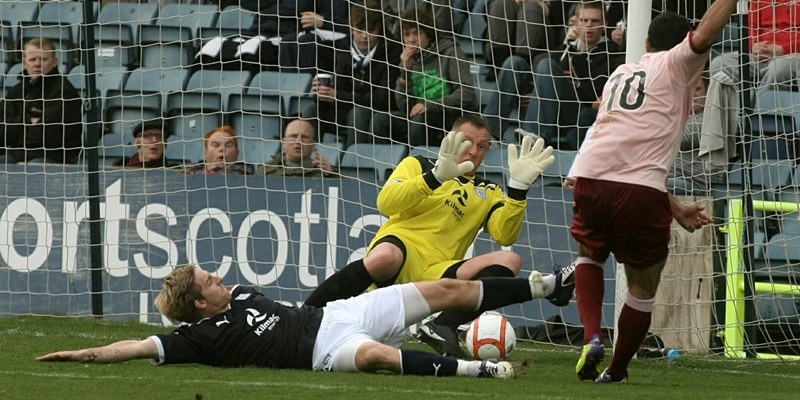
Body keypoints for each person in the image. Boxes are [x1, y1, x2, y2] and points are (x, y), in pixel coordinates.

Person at [304, 114, 572, 358]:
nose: (474, 152)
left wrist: (517, 189)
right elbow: (386, 203)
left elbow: (505, 232)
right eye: (468, 143)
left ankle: (443, 325)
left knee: (510, 260)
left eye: (482, 147)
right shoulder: (418, 164)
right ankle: (305, 316)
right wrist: (435, 177)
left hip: (439, 270)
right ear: (450, 140)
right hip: (401, 254)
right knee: (384, 257)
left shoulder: (488, 191)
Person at [568, 1, 736, 383]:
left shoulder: (622, 72)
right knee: (644, 283)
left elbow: (624, 147)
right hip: (638, 191)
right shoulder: (679, 63)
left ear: (645, 41)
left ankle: (592, 336)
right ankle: (616, 370)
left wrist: (673, 205)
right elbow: (706, 34)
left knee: (589, 254)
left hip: (590, 176)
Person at [36, 263, 563, 378]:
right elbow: (135, 346)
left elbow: (323, 296)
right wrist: (83, 354)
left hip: (337, 314)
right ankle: (483, 372)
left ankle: (544, 284)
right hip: (324, 355)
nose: (219, 277)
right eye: (208, 281)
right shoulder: (198, 339)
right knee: (377, 357)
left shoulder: (240, 291)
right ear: (199, 303)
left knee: (446, 289)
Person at [487, 1, 623, 150]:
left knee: (547, 65)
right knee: (514, 63)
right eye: (584, 20)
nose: (589, 25)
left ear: (605, 24)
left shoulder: (613, 53)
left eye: (595, 21)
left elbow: (593, 97)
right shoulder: (565, 49)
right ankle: (490, 134)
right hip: (550, 109)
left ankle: (534, 134)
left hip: (577, 114)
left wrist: (548, 90)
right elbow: (544, 79)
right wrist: (539, 92)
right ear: (575, 22)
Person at [302, 0, 403, 147]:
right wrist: (321, 95)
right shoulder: (344, 46)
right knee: (311, 110)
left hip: (376, 111)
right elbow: (341, 88)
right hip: (348, 107)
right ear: (351, 29)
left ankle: (355, 164)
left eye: (370, 30)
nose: (364, 36)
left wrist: (338, 96)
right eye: (359, 30)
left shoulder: (392, 50)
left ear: (380, 29)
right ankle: (311, 162)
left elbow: (384, 98)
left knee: (358, 113)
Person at [372, 8, 477, 146]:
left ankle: (418, 162)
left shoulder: (451, 52)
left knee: (419, 119)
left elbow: (467, 94)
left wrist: (430, 105)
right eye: (407, 35)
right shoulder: (408, 60)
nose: (411, 40)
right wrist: (406, 71)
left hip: (450, 115)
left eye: (417, 34)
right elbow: (404, 106)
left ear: (428, 35)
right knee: (380, 120)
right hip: (421, 117)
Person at [0, 38, 82, 164]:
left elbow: (47, 137)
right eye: (32, 59)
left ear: (55, 62)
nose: (37, 64)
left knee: (34, 166)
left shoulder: (64, 92)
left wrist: (15, 133)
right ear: (24, 62)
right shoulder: (18, 90)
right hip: (17, 155)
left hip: (53, 158)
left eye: (43, 59)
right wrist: (28, 120)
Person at [710, 0, 800, 94]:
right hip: (760, 53)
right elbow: (750, 26)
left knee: (777, 69)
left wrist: (783, 49)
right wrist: (754, 45)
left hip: (793, 54)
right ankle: (736, 106)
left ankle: (761, 106)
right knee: (719, 64)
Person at [256, 119, 335, 177]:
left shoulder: (324, 173)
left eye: (304, 137)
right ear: (284, 142)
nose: (298, 141)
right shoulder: (265, 170)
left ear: (313, 145)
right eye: (293, 136)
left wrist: (332, 175)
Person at [114, 119, 183, 169]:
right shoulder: (120, 166)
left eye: (160, 136)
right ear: (136, 142)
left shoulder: (173, 171)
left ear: (165, 144)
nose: (155, 140)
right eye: (148, 135)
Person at [183, 126, 250, 175]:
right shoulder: (190, 175)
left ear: (237, 153)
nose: (222, 149)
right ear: (205, 152)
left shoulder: (246, 178)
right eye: (215, 145)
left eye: (228, 145)